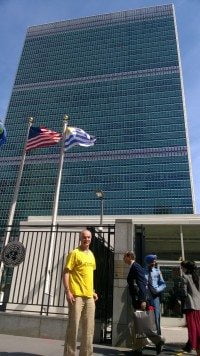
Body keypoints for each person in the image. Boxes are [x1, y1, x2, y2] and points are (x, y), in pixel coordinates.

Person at [63, 229, 98, 356]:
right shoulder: (74, 253)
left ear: (91, 238)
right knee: (73, 329)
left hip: (89, 297)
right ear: (80, 238)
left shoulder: (91, 255)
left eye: (88, 237)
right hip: (76, 296)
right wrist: (68, 292)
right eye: (84, 237)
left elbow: (88, 275)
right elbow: (66, 273)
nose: (86, 239)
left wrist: (93, 291)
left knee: (89, 330)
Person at [124, 251, 165, 355]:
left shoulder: (136, 267)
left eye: (124, 257)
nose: (123, 259)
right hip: (138, 299)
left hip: (140, 300)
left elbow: (142, 283)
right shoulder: (135, 267)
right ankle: (139, 347)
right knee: (138, 324)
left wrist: (142, 300)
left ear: (129, 257)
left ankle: (157, 340)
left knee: (141, 323)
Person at [179, 261, 200, 356]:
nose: (182, 269)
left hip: (190, 305)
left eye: (183, 268)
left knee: (192, 328)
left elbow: (183, 292)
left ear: (186, 268)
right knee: (198, 327)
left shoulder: (185, 277)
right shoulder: (198, 277)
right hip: (199, 305)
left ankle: (194, 346)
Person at [144, 254, 166, 335]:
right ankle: (147, 335)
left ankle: (158, 335)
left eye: (154, 261)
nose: (154, 262)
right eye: (153, 261)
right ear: (149, 262)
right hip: (146, 297)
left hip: (155, 297)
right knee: (146, 316)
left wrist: (157, 290)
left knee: (156, 316)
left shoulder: (157, 271)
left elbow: (163, 284)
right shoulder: (143, 271)